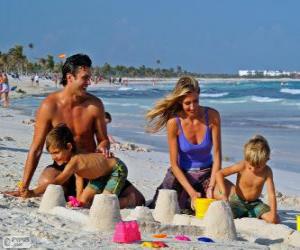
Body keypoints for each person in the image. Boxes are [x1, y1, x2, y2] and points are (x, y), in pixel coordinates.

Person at [8, 54, 145, 207]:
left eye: (89, 78)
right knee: (47, 182)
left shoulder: (94, 105)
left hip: (89, 166)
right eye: (85, 78)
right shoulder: (49, 106)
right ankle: (80, 195)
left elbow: (103, 139)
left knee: (139, 199)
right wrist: (24, 187)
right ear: (70, 77)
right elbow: (36, 148)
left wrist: (103, 147)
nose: (89, 82)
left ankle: (87, 196)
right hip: (63, 168)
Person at [146, 76, 233, 211]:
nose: (193, 107)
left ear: (199, 95)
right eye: (187, 103)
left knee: (228, 199)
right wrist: (192, 193)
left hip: (207, 173)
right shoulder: (174, 123)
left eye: (196, 101)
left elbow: (217, 157)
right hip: (182, 174)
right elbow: (174, 165)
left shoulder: (212, 116)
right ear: (180, 101)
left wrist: (211, 187)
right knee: (163, 206)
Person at [22, 124, 136, 208]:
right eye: (51, 153)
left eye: (56, 152)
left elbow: (57, 181)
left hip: (116, 170)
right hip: (99, 176)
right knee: (83, 202)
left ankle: (128, 200)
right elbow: (79, 177)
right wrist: (78, 198)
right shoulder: (72, 157)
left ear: (69, 146)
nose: (53, 157)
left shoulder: (75, 160)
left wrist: (33, 192)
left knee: (104, 204)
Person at [215, 135, 279, 224]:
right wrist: (224, 193)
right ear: (246, 159)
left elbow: (271, 194)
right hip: (237, 202)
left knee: (275, 220)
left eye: (258, 167)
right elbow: (219, 174)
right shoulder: (242, 165)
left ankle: (250, 213)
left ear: (267, 160)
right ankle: (245, 213)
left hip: (255, 205)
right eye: (250, 166)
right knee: (223, 216)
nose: (253, 169)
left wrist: (273, 213)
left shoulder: (267, 171)